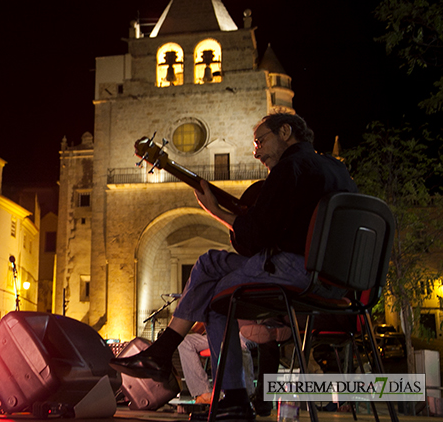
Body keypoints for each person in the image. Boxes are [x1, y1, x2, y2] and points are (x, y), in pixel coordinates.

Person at [110, 113, 357, 421]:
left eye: (260, 141)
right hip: (339, 281)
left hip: (296, 271)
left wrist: (215, 211)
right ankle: (165, 356)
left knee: (215, 293)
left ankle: (232, 397)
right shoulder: (338, 169)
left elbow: (253, 239)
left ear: (285, 131)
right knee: (211, 268)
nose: (256, 152)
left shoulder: (289, 169)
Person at [178, 323, 255, 405]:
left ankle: (248, 397)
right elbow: (197, 329)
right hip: (221, 335)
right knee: (186, 342)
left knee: (237, 341)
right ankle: (204, 394)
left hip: (248, 332)